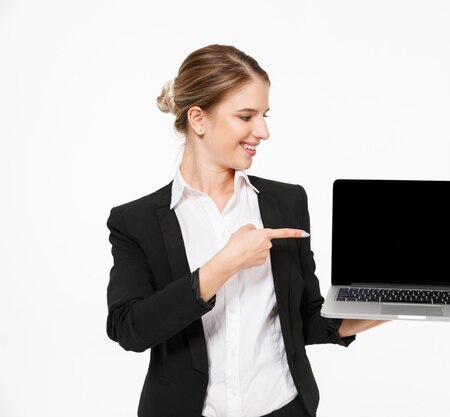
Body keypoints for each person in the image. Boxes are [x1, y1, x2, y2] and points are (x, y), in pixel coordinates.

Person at [106, 44, 387, 417]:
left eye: (264, 115)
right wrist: (225, 264)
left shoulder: (286, 202)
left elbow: (306, 319)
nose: (264, 131)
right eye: (246, 116)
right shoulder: (136, 220)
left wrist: (392, 304)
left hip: (284, 408)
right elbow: (130, 329)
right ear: (198, 119)